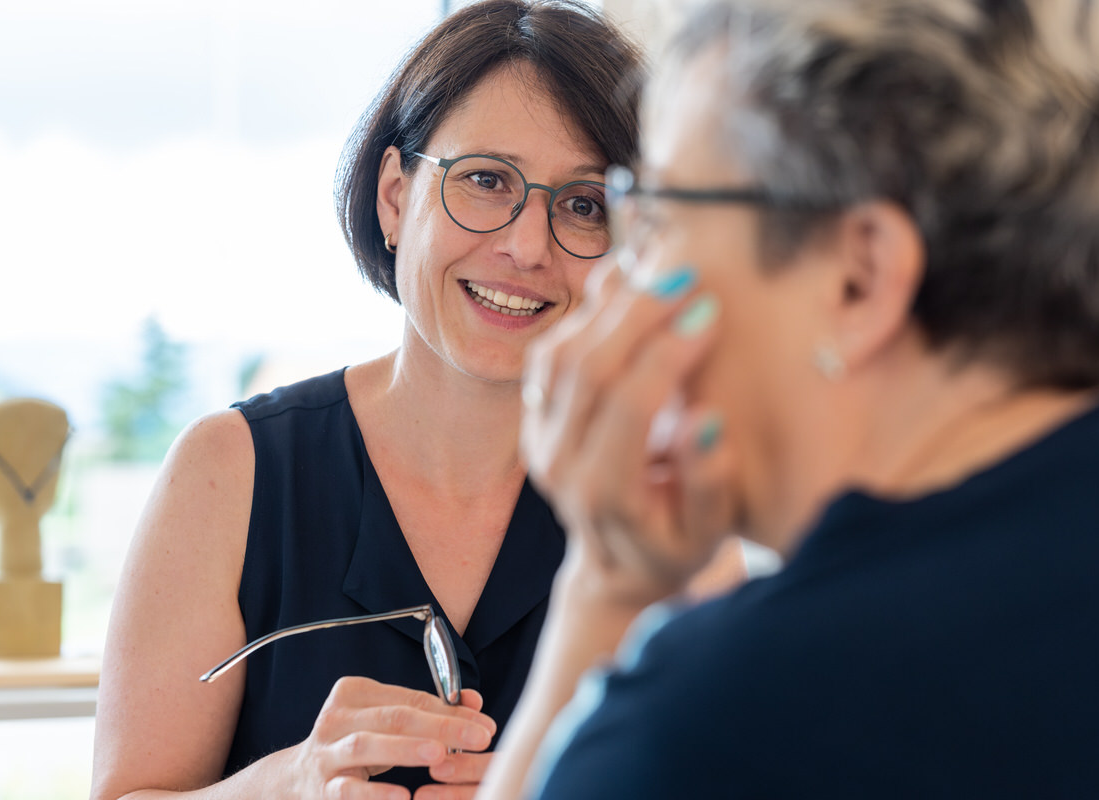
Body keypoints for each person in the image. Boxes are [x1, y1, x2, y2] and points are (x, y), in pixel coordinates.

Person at [479, 0, 1099, 797]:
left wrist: (603, 592)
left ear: (860, 278)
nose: (618, 280)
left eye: (664, 217)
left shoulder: (721, 725)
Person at [91, 2, 741, 798]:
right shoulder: (228, 473)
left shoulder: (677, 504)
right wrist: (285, 784)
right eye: (485, 181)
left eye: (583, 205)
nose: (525, 247)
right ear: (396, 198)